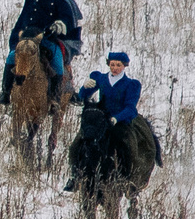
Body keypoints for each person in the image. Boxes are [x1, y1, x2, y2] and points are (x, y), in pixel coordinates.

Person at [64, 52, 149, 194]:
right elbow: (82, 96)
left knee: (129, 146)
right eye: (112, 64)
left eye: (118, 65)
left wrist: (117, 118)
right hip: (100, 119)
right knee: (76, 145)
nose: (115, 68)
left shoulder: (131, 84)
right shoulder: (101, 78)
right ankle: (75, 176)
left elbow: (130, 106)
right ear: (109, 64)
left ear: (124, 66)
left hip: (120, 121)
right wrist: (85, 87)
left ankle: (129, 180)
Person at [0, 0, 81, 106]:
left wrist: (59, 25)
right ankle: (5, 93)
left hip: (47, 39)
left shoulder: (62, 0)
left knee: (57, 62)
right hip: (25, 37)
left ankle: (54, 98)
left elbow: (67, 18)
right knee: (12, 56)